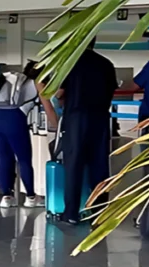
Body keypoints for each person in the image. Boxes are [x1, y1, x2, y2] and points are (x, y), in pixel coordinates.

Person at [49, 38, 118, 224]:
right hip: (101, 118)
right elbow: (111, 92)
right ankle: (99, 212)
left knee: (74, 165)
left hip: (76, 118)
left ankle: (71, 213)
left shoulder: (69, 63)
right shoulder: (106, 64)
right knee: (100, 165)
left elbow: (59, 93)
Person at [0, 66, 45, 209]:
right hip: (15, 123)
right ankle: (30, 198)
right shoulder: (37, 84)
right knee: (24, 161)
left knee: (4, 160)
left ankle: (6, 197)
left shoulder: (11, 81)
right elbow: (48, 108)